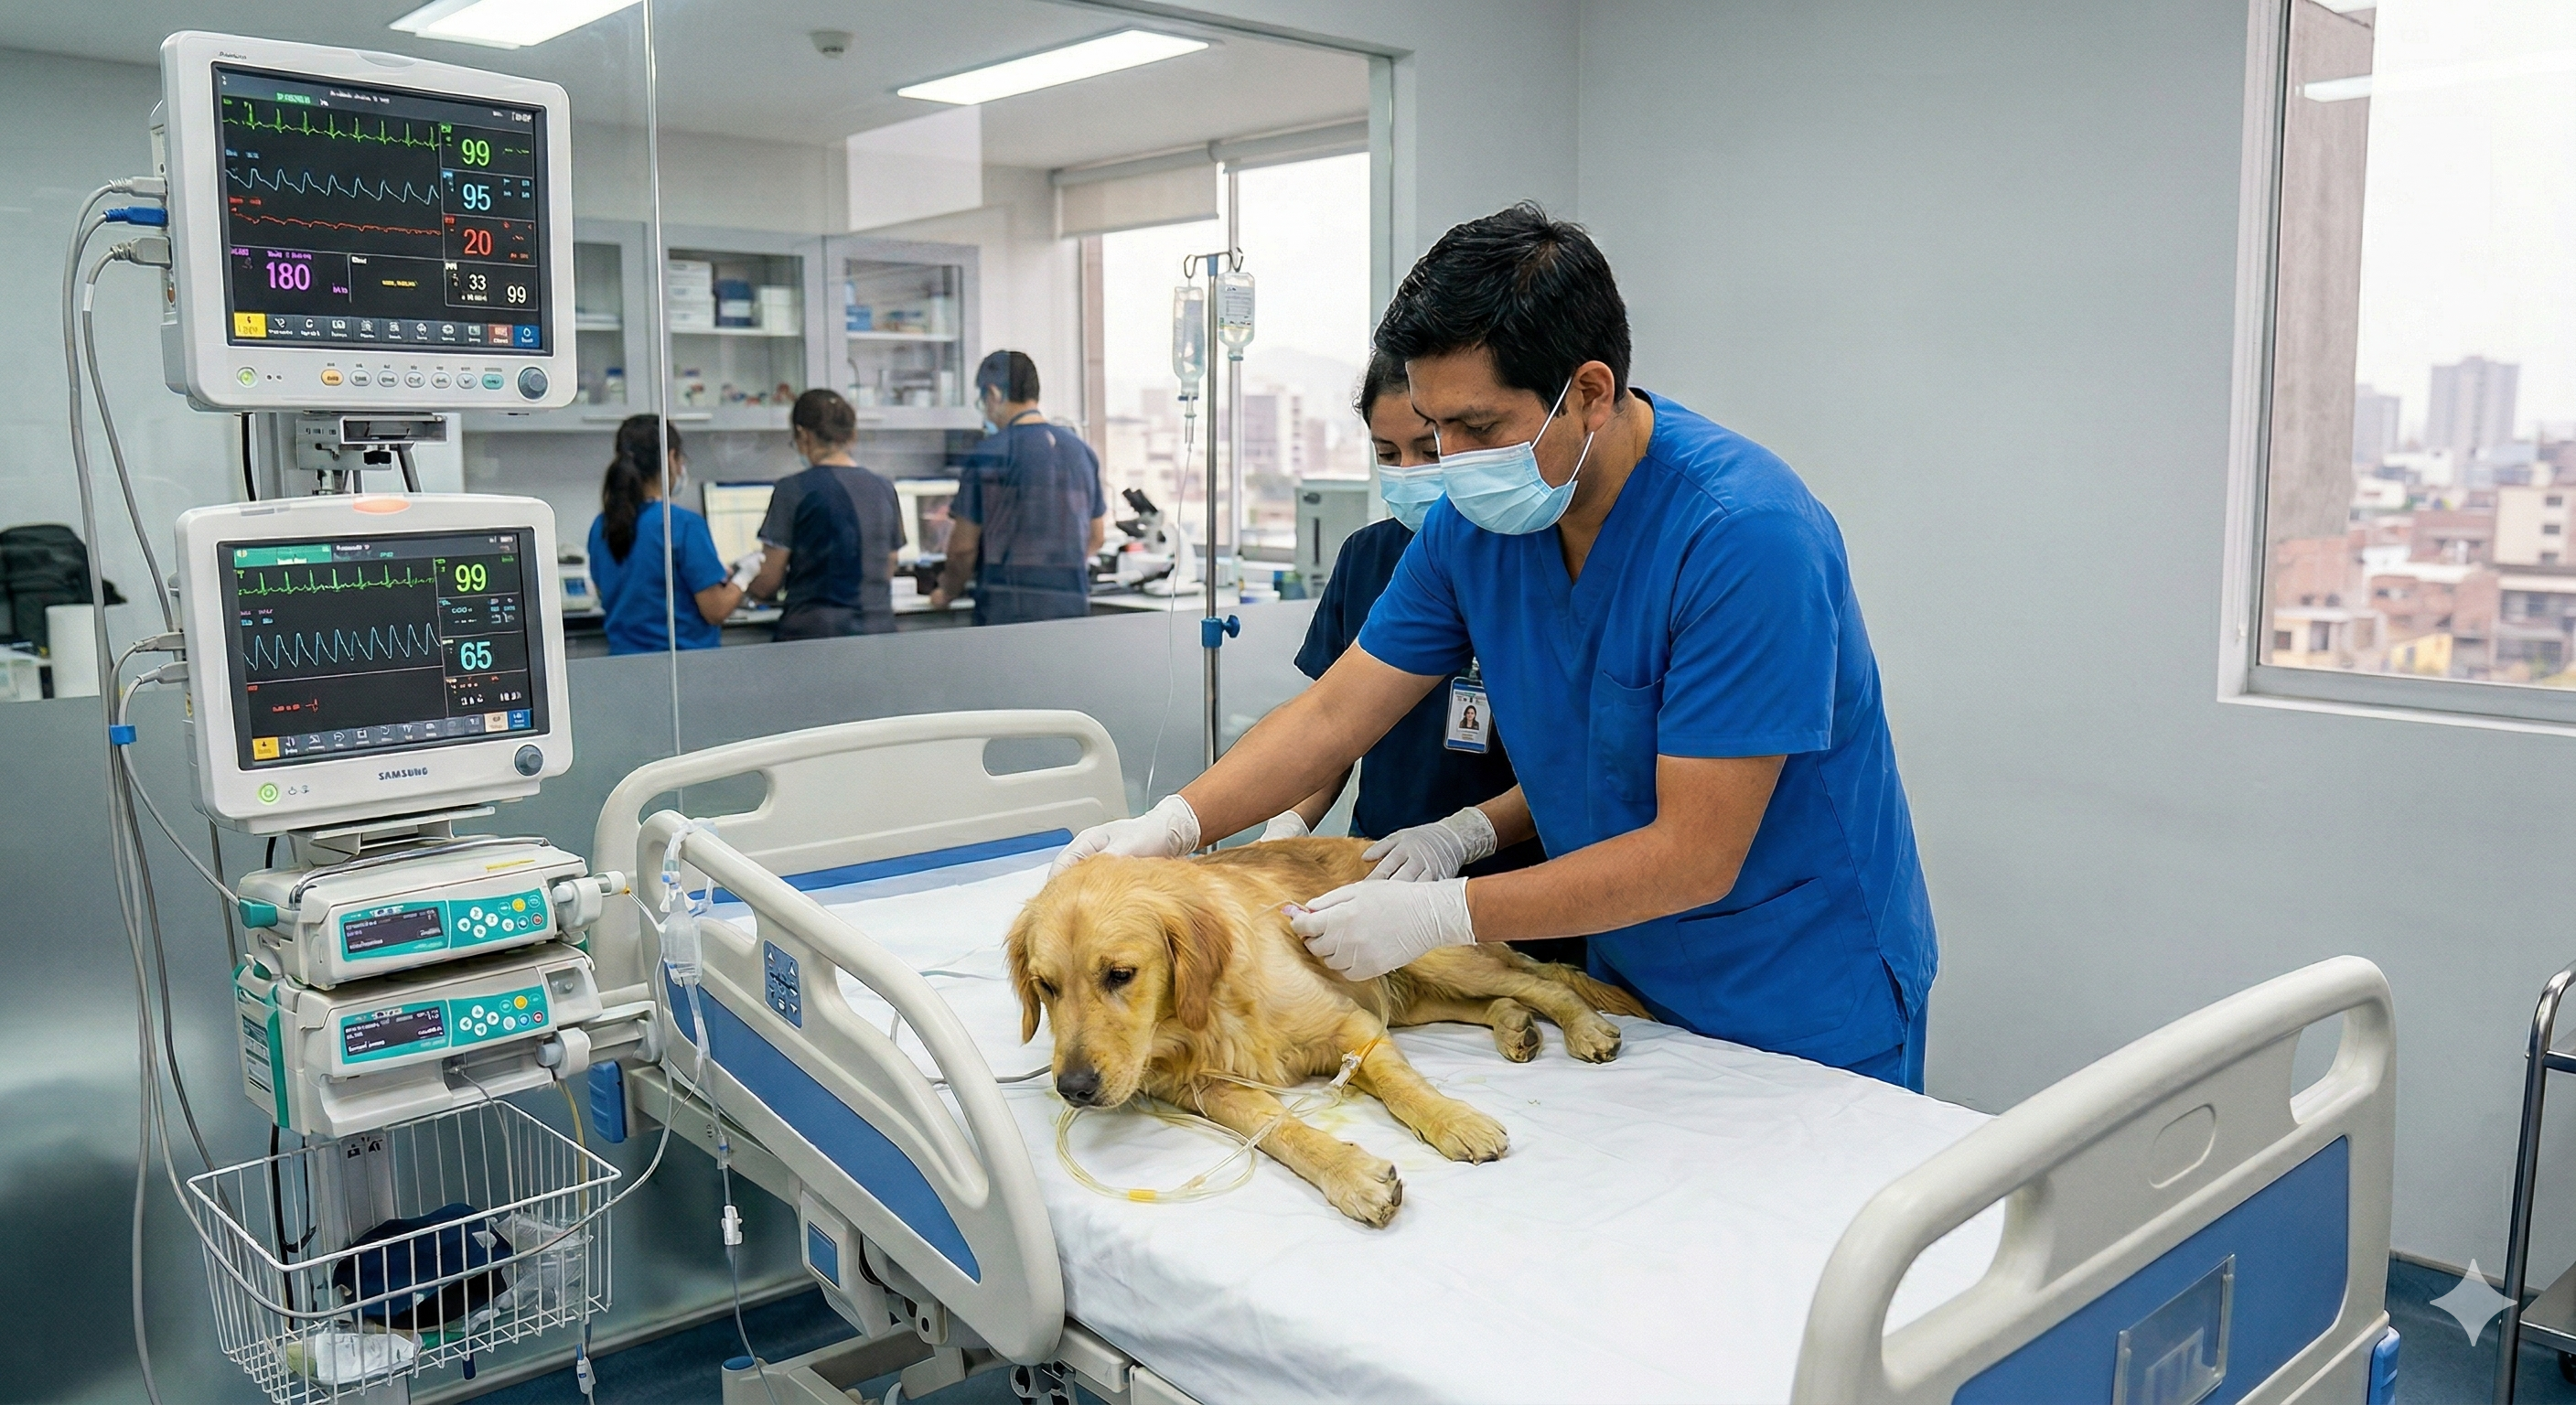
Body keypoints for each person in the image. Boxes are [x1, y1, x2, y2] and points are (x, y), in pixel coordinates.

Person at [1056, 204, 1937, 1091]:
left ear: (1589, 392)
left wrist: (1444, 911)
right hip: (1628, 968)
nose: (1449, 460)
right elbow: (1333, 714)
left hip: (1798, 983)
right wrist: (1169, 825)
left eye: (1478, 429)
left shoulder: (1744, 539)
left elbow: (1693, 853)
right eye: (1435, 429)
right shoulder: (1476, 530)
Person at [1254, 352, 1573, 964]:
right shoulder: (1368, 557)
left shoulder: (1538, 562)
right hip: (1373, 876)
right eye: (1386, 453)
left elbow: (1578, 770)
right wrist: (1285, 827)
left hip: (1511, 888)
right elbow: (1329, 729)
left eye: (1429, 451)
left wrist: (1459, 836)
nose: (1408, 472)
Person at [931, 351, 1106, 625]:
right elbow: (1096, 537)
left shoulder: (990, 455)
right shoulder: (1081, 452)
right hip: (1070, 611)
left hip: (1008, 614)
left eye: (983, 400)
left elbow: (963, 549)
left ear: (994, 394)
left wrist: (946, 592)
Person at [745, 390, 904, 639]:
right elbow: (887, 565)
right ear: (851, 435)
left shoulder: (793, 490)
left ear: (802, 434)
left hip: (815, 637)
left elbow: (768, 582)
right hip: (879, 632)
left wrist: (739, 578)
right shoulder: (884, 488)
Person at [586, 414, 751, 655]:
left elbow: (614, 589)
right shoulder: (683, 524)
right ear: (672, 458)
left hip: (624, 667)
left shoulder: (602, 526)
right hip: (682, 669)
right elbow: (716, 611)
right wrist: (745, 576)